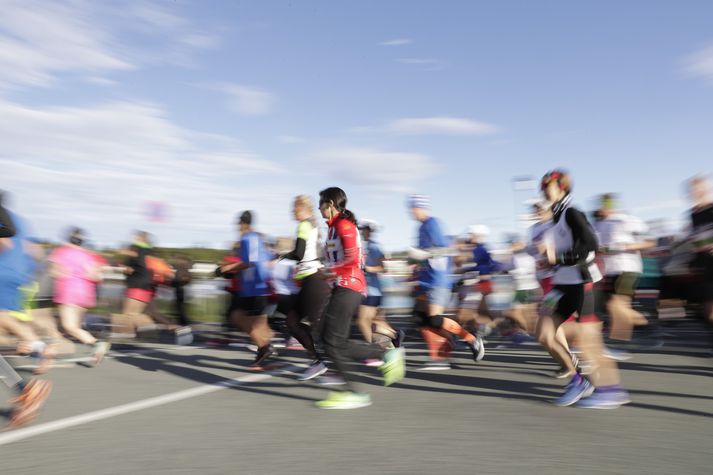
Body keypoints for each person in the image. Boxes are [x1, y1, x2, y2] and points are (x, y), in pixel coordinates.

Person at [537, 169, 630, 408]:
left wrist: (558, 258)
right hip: (561, 285)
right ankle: (579, 380)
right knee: (543, 333)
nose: (545, 189)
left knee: (589, 342)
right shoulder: (555, 217)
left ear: (562, 187)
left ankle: (611, 392)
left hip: (582, 283)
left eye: (550, 185)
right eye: (544, 186)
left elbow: (590, 244)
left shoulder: (571, 212)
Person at [314, 187, 405, 409]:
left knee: (333, 342)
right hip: (341, 288)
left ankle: (355, 392)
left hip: (350, 287)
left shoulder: (344, 226)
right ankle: (385, 355)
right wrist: (326, 271)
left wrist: (329, 271)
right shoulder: (333, 228)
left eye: (321, 204)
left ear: (332, 204)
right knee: (326, 338)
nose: (319, 208)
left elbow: (354, 259)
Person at [407, 194, 484, 370]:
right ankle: (440, 356)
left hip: (437, 279)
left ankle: (470, 339)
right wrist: (415, 261)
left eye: (414, 208)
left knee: (434, 320)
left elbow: (446, 249)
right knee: (420, 318)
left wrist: (425, 255)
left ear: (421, 208)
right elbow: (423, 253)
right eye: (411, 208)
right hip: (425, 280)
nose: (411, 211)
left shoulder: (432, 224)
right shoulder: (420, 228)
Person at [0, 195, 52, 428]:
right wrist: (30, 273)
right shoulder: (19, 220)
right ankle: (26, 386)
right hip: (16, 276)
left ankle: (33, 353)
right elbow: (33, 251)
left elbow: (5, 242)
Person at [594, 193, 656, 359]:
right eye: (601, 205)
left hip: (628, 267)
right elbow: (598, 248)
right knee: (618, 308)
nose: (603, 208)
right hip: (610, 270)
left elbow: (650, 241)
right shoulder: (599, 225)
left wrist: (628, 245)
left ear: (612, 206)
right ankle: (648, 327)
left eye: (606, 205)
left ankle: (619, 345)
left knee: (616, 305)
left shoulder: (626, 220)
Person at [279, 195, 331, 380]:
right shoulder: (313, 226)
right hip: (312, 280)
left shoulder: (304, 225)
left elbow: (300, 253)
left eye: (294, 208)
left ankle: (334, 366)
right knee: (292, 322)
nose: (292, 212)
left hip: (313, 280)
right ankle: (319, 362)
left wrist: (281, 257)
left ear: (303, 208)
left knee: (318, 328)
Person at [218, 211, 275, 367]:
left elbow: (250, 261)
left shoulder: (247, 238)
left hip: (253, 289)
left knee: (237, 317)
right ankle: (264, 354)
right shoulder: (258, 238)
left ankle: (265, 348)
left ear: (242, 223)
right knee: (260, 324)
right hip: (260, 286)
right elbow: (269, 259)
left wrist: (228, 268)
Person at [48, 227, 110, 365]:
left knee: (69, 326)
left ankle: (96, 344)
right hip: (85, 293)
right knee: (70, 326)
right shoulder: (88, 255)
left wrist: (63, 274)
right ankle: (52, 350)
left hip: (68, 292)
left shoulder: (61, 252)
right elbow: (97, 276)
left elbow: (54, 272)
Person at [356, 219, 402, 358]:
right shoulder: (365, 246)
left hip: (373, 291)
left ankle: (372, 351)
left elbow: (383, 268)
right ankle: (395, 335)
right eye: (360, 229)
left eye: (363, 229)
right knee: (374, 322)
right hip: (367, 290)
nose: (360, 231)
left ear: (369, 230)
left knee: (362, 321)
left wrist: (367, 268)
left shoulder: (375, 247)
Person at [687, 175, 713, 355]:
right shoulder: (694, 214)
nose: (696, 192)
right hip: (706, 264)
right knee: (709, 311)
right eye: (693, 189)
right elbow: (697, 240)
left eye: (699, 188)